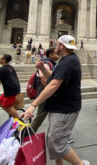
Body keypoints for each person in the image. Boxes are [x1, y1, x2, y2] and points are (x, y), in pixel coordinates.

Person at [21, 35, 90, 165]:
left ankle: (81, 164)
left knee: (57, 143)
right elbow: (53, 78)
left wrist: (33, 105)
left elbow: (53, 85)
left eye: (57, 44)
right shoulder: (65, 60)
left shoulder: (68, 62)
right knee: (53, 141)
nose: (55, 46)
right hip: (60, 107)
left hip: (65, 109)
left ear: (62, 46)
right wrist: (42, 68)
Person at [30, 47, 59, 132]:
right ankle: (28, 134)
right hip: (45, 94)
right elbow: (43, 80)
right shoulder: (46, 63)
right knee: (40, 116)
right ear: (51, 55)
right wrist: (50, 92)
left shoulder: (53, 63)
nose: (58, 55)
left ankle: (59, 133)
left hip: (49, 94)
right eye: (56, 53)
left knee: (56, 115)